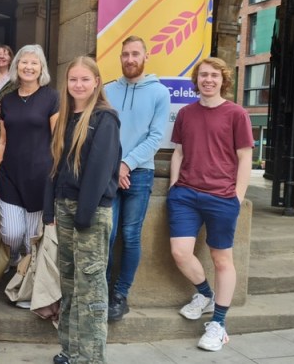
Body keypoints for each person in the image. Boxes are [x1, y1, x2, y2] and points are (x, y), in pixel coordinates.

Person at [168, 57, 253, 352]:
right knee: (180, 252)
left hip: (222, 196)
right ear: (196, 80)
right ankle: (204, 294)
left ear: (223, 80)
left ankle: (218, 323)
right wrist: (173, 188)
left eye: (214, 76)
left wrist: (237, 197)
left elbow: (245, 157)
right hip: (186, 195)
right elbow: (178, 152)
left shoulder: (236, 114)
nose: (208, 80)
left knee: (221, 260)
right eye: (203, 75)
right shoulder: (186, 113)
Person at [44, 56, 121, 364]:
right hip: (64, 208)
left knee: (90, 288)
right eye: (73, 79)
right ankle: (70, 350)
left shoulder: (105, 118)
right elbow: (54, 166)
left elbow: (99, 170)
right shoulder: (65, 118)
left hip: (89, 212)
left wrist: (84, 215)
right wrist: (50, 210)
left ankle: (90, 358)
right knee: (70, 284)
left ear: (96, 83)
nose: (78, 85)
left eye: (84, 79)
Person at [104, 36, 170, 322]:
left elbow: (156, 137)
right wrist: (114, 166)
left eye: (135, 54)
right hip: (107, 173)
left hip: (140, 174)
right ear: (120, 57)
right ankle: (101, 292)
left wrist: (126, 164)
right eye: (125, 54)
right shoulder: (106, 90)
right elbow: (102, 134)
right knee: (106, 234)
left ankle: (120, 295)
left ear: (146, 56)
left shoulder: (160, 93)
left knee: (130, 235)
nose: (130, 59)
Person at [0, 44, 59, 285]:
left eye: (34, 63)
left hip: (40, 177)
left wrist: (56, 177)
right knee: (11, 233)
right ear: (16, 66)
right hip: (11, 175)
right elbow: (2, 142)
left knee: (33, 237)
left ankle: (26, 284)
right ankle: (14, 256)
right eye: (24, 62)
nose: (29, 67)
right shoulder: (7, 101)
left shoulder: (52, 97)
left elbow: (57, 142)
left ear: (41, 68)